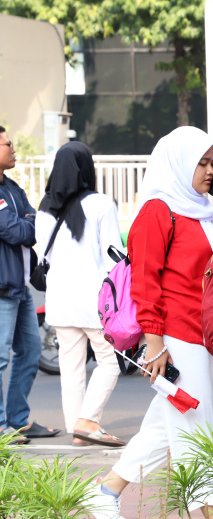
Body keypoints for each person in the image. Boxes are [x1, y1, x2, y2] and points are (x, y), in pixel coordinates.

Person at [87, 127, 213, 519]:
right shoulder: (157, 211)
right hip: (176, 334)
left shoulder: (205, 214)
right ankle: (212, 511)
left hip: (204, 335)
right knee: (195, 427)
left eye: (212, 163)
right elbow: (145, 283)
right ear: (178, 164)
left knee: (167, 424)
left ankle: (106, 492)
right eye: (201, 163)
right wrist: (154, 343)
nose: (209, 172)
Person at [35, 142, 124, 447]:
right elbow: (114, 255)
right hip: (95, 301)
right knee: (110, 361)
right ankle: (88, 421)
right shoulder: (100, 204)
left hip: (59, 302)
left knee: (71, 370)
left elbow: (43, 254)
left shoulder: (44, 209)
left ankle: (78, 433)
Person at [0, 125, 59, 445]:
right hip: (2, 289)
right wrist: (23, 222)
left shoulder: (11, 188)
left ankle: (17, 420)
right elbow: (17, 231)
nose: (13, 148)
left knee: (31, 351)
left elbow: (35, 224)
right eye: (7, 144)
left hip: (19, 286)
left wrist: (22, 221)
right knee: (1, 359)